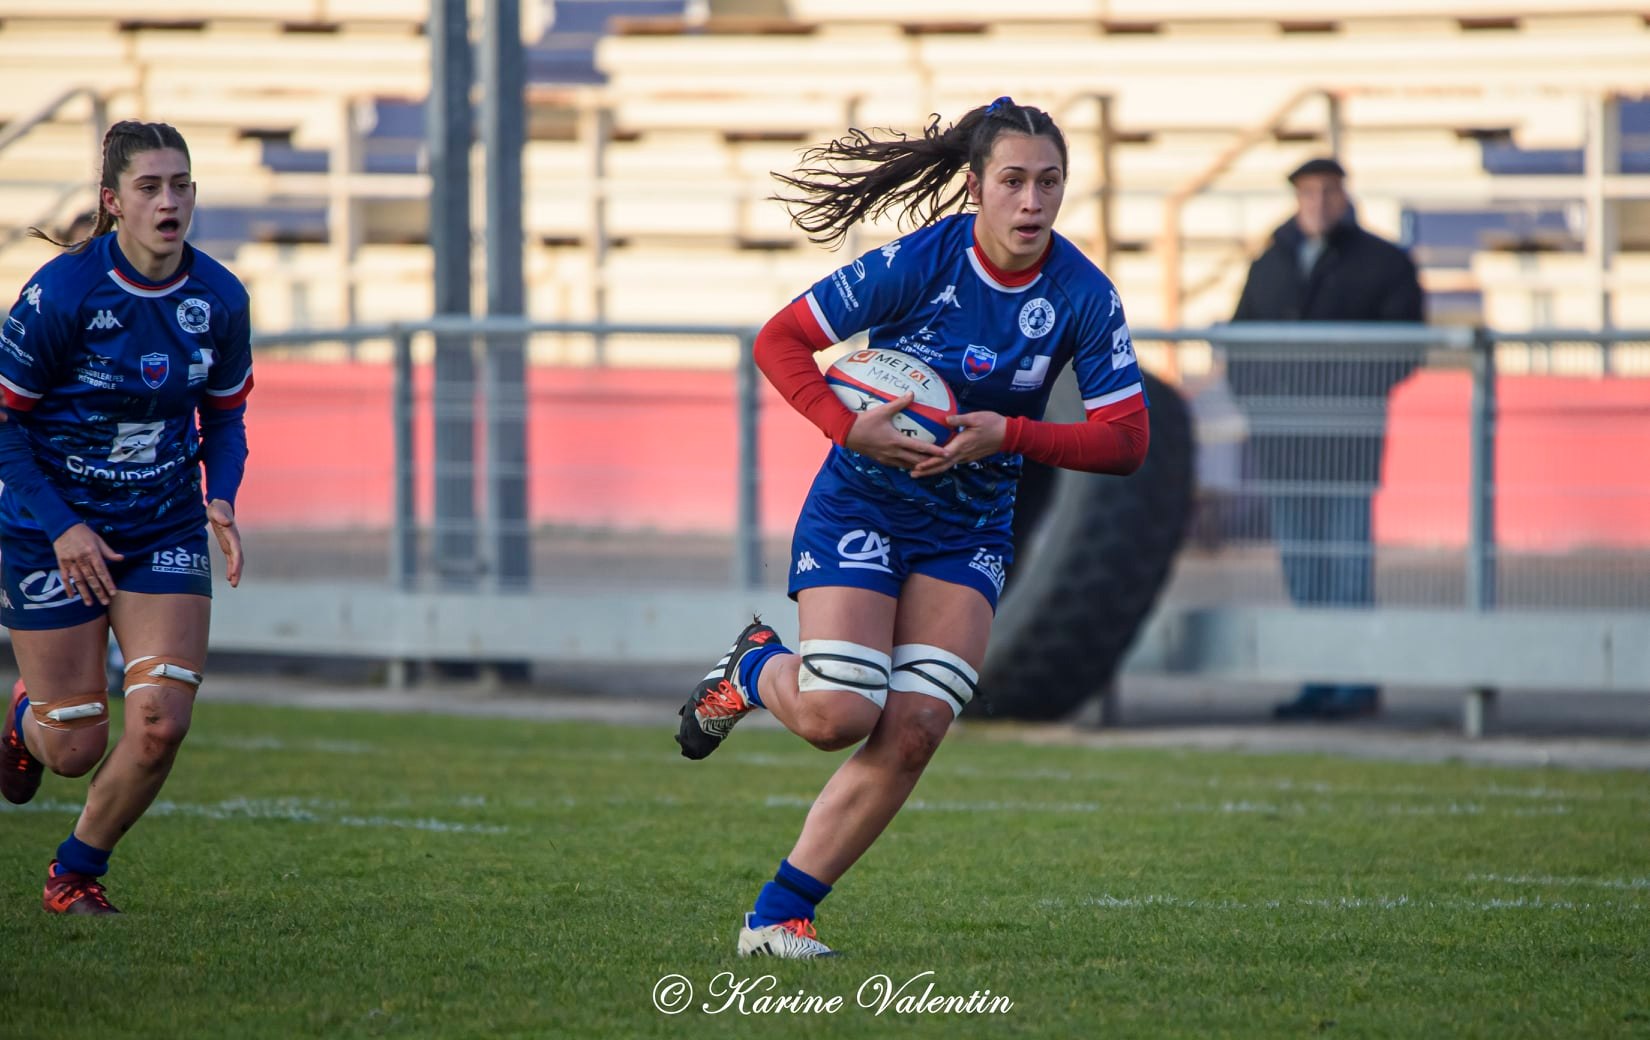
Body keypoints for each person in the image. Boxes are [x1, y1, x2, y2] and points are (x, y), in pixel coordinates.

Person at [675, 97, 1151, 958]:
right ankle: (753, 667)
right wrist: (845, 425)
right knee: (836, 716)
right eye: (1013, 181)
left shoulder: (1082, 293)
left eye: (1049, 182)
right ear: (976, 187)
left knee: (919, 727)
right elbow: (780, 340)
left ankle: (778, 918)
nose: (1032, 201)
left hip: (970, 526)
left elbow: (1126, 442)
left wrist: (1010, 433)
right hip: (865, 504)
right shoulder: (921, 262)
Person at [0, 120, 254, 914]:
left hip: (163, 523)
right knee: (74, 744)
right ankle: (25, 719)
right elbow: (5, 424)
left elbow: (225, 418)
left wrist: (221, 495)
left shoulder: (220, 298)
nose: (168, 201)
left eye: (180, 185)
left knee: (159, 721)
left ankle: (75, 871)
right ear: (113, 202)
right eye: (149, 187)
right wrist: (62, 525)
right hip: (50, 526)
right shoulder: (62, 293)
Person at [1227, 156, 1424, 720]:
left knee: (1346, 566)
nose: (1318, 202)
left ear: (1344, 195)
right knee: (1303, 567)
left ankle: (1353, 681)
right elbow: (1240, 342)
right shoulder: (1270, 263)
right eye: (1308, 191)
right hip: (1284, 445)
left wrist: (1338, 393)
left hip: (1346, 442)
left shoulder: (1383, 262)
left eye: (1328, 191)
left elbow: (1405, 347)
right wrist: (1262, 404)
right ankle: (1317, 678)